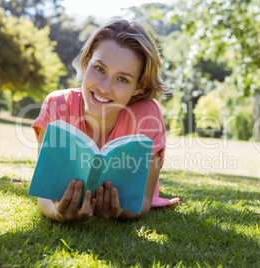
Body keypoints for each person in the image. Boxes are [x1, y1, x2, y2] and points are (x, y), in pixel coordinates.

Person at [32, 20, 179, 222]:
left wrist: (120, 212)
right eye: (100, 69)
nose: (104, 87)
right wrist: (57, 212)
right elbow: (45, 193)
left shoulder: (148, 115)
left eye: (122, 79)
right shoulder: (56, 104)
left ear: (139, 87)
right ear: (86, 63)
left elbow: (143, 203)